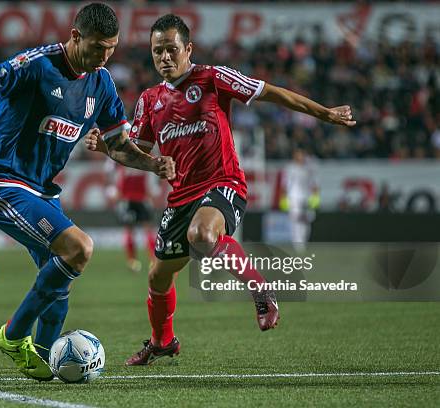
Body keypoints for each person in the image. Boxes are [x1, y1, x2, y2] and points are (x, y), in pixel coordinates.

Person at [85, 14, 356, 366]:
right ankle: (162, 342)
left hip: (222, 183)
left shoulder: (212, 78)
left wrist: (324, 114)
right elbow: (136, 151)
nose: (164, 57)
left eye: (171, 49)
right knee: (158, 275)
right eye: (157, 51)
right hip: (181, 196)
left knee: (202, 233)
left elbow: (269, 92)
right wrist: (105, 146)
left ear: (188, 49)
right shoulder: (150, 100)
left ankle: (261, 288)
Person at [0, 3, 175, 381]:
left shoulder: (100, 83)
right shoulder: (37, 64)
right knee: (79, 248)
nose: (104, 57)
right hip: (0, 179)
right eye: (98, 47)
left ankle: (40, 359)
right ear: (74, 37)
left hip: (40, 190)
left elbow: (117, 144)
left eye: (112, 48)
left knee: (61, 281)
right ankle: (14, 335)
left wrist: (153, 163)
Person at [105, 159, 157, 272]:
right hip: (139, 197)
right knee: (146, 229)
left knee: (130, 230)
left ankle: (132, 262)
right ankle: (153, 260)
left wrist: (113, 190)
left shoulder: (121, 155)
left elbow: (110, 170)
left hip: (128, 198)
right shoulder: (146, 155)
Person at [279, 146, 320, 252]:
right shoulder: (289, 168)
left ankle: (303, 242)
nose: (299, 156)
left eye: (301, 154)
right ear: (294, 155)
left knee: (306, 221)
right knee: (295, 221)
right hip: (294, 197)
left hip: (306, 197)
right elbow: (285, 184)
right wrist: (284, 198)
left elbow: (314, 183)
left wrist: (315, 197)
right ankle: (297, 245)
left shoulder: (309, 168)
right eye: (297, 154)